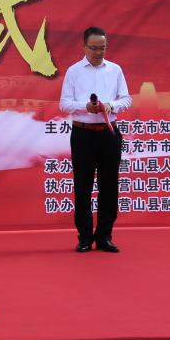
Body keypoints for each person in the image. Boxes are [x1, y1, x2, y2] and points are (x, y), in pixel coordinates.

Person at [59, 26, 132, 253]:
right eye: (94, 48)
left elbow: (127, 99)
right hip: (83, 134)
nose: (99, 52)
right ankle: (84, 237)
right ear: (84, 47)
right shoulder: (74, 71)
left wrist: (110, 105)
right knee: (83, 186)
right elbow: (64, 103)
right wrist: (85, 107)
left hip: (109, 133)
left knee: (109, 186)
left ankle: (104, 237)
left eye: (103, 48)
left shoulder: (115, 70)